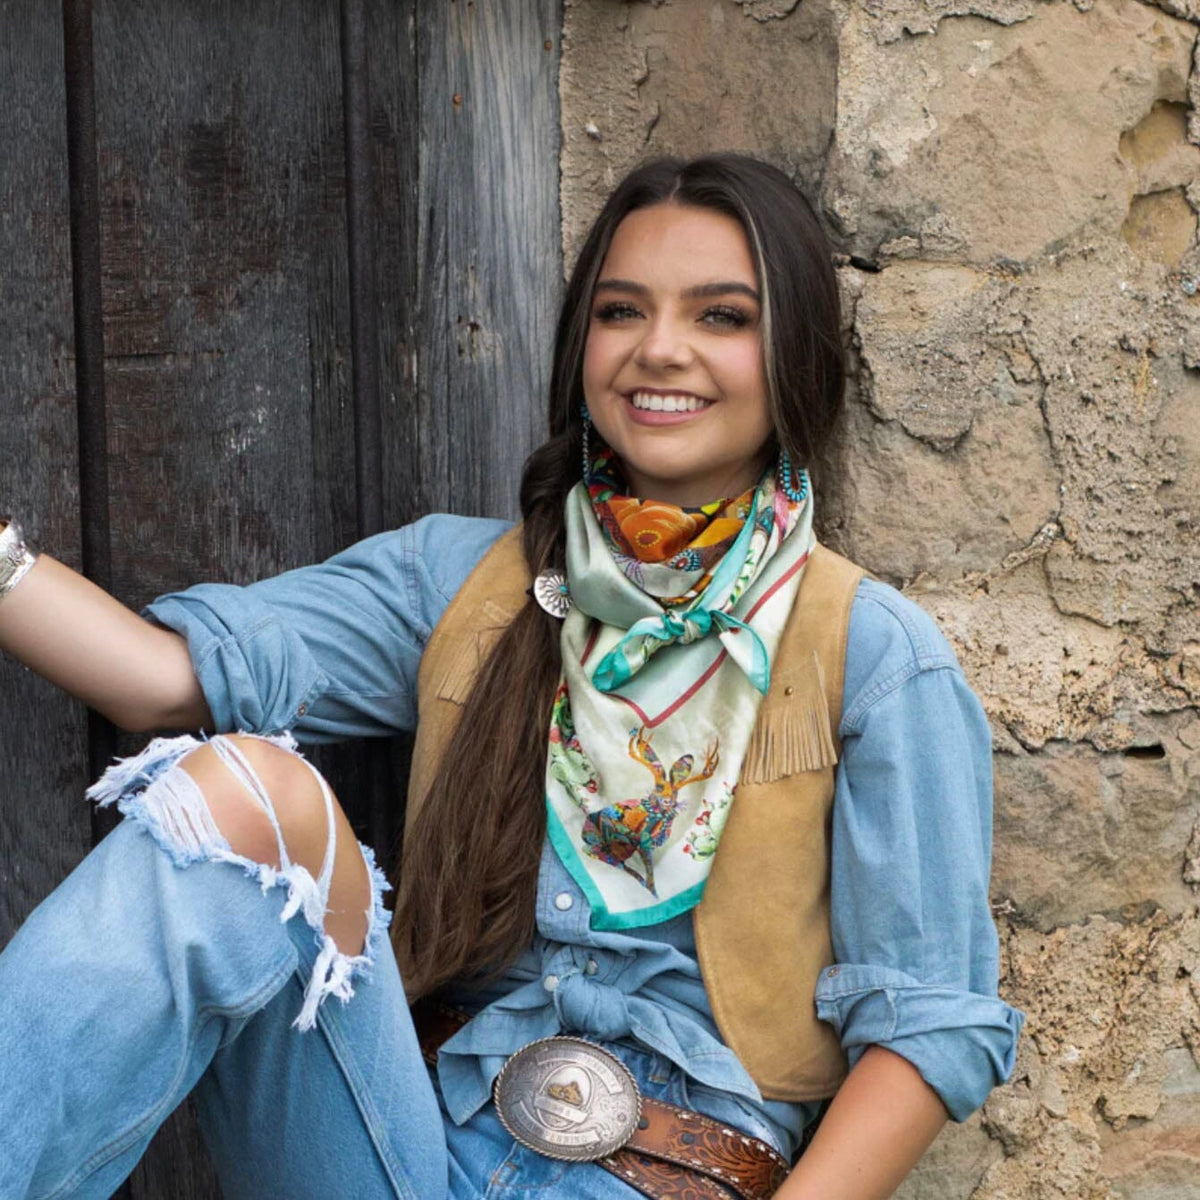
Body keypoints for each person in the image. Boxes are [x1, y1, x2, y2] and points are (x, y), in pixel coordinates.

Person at [0, 154, 1023, 1200]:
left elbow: (928, 1034)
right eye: (622, 312)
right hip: (405, 1146)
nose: (659, 349)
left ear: (793, 351)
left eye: (721, 317)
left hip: (671, 1166)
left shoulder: (872, 652)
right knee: (244, 797)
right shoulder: (464, 583)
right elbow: (157, 679)